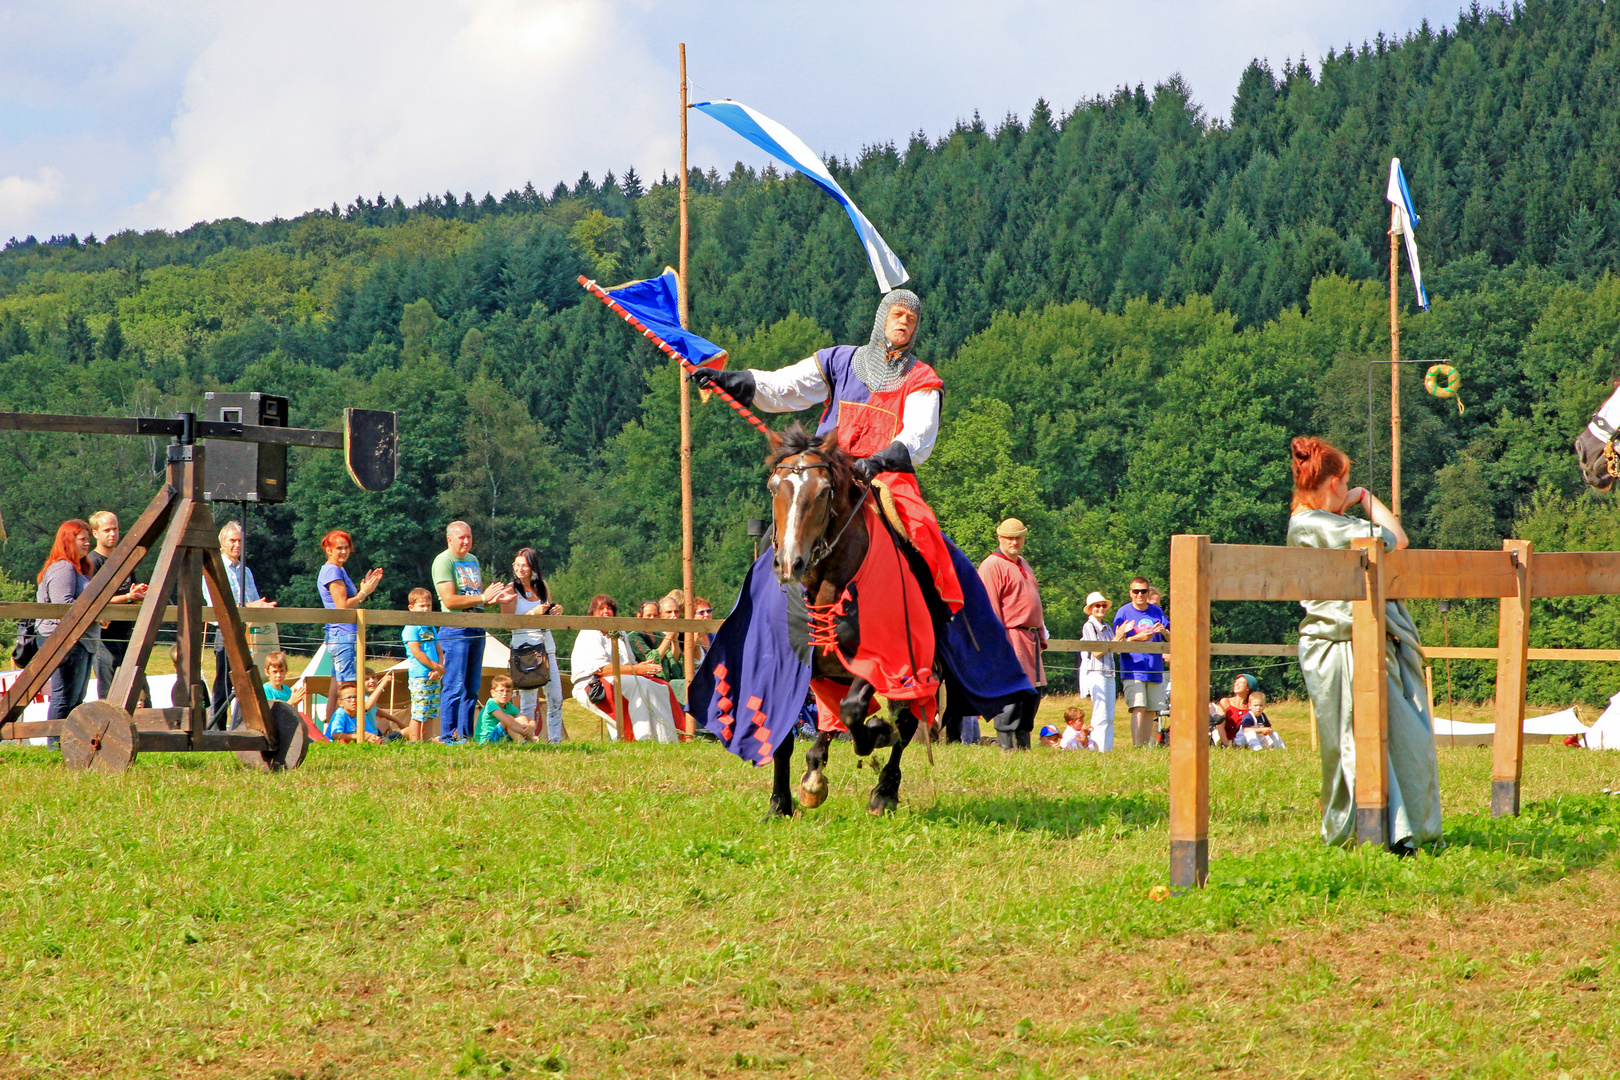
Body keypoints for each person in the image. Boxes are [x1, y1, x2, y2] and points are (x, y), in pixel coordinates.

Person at [688, 289, 964, 613]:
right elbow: (786, 386)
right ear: (882, 318)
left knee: (923, 534)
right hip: (826, 472)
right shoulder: (840, 361)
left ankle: (936, 617)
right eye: (897, 315)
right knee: (772, 538)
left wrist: (876, 461)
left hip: (885, 477)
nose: (903, 322)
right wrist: (730, 379)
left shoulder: (920, 378)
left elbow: (919, 434)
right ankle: (758, 617)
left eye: (911, 319)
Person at [1288, 435, 1440, 851]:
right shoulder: (1316, 524)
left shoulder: (1317, 521)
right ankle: (1368, 835)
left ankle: (1398, 832)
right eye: (1347, 483)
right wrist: (1367, 498)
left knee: (1394, 737)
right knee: (1352, 744)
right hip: (1336, 645)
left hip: (1363, 640)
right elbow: (1396, 538)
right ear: (1335, 483)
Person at [433, 521, 513, 743]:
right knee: (454, 685)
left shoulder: (473, 560)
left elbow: (476, 600)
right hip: (455, 628)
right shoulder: (444, 561)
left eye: (469, 536)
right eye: (461, 538)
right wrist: (484, 597)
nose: (466, 541)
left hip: (477, 625)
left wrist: (493, 600)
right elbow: (450, 600)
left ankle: (466, 736)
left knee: (472, 687)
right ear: (449, 539)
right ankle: (448, 736)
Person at [569, 594, 683, 743]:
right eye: (601, 608)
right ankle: (643, 738)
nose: (606, 612)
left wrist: (644, 667)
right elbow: (601, 669)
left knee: (661, 686)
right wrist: (637, 669)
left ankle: (669, 739)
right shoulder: (590, 632)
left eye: (609, 608)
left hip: (619, 679)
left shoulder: (620, 633)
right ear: (592, 613)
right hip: (592, 684)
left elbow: (629, 662)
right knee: (641, 685)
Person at [978, 518, 1047, 751]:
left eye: (1018, 537)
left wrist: (1040, 634)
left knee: (1030, 695)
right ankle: (1007, 749)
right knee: (1012, 694)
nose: (1014, 542)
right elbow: (990, 609)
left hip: (1030, 638)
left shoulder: (1023, 563)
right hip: (1010, 636)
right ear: (999, 538)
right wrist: (998, 646)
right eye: (1009, 538)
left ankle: (1023, 748)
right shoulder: (992, 565)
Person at [203, 520, 278, 730]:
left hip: (246, 631)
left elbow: (254, 600)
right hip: (225, 631)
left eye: (240, 541)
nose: (237, 545)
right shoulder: (213, 568)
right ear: (222, 544)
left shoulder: (245, 571)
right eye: (233, 541)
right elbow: (216, 604)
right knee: (224, 683)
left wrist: (262, 606)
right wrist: (250, 605)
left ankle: (242, 726)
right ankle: (216, 727)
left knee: (246, 681)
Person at [317, 529, 383, 727]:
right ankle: (346, 732)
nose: (344, 552)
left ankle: (329, 733)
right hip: (344, 636)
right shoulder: (332, 570)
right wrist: (364, 593)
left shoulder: (339, 569)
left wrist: (363, 587)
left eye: (346, 548)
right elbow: (342, 605)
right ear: (328, 549)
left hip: (339, 635)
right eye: (339, 548)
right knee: (348, 689)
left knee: (335, 688)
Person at [500, 548, 565, 744]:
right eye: (516, 565)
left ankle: (555, 741)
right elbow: (508, 623)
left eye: (524, 565)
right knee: (528, 700)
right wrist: (531, 614)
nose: (519, 569)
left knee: (555, 697)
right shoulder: (510, 590)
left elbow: (548, 614)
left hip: (546, 648)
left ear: (532, 567)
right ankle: (526, 740)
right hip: (524, 651)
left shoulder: (543, 586)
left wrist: (556, 610)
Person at [36, 519, 98, 723]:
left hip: (81, 639)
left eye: (88, 539)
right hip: (65, 639)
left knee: (76, 697)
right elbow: (64, 606)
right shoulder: (64, 568)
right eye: (83, 539)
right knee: (64, 696)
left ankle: (69, 744)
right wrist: (96, 613)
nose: (87, 543)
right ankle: (55, 744)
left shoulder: (79, 568)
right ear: (69, 540)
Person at [86, 511, 150, 707]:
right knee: (110, 696)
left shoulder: (124, 560)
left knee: (141, 694)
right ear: (95, 534)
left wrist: (137, 594)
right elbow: (92, 600)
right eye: (107, 530)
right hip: (104, 639)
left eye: (115, 529)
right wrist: (129, 597)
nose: (112, 534)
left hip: (127, 636)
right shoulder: (93, 562)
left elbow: (132, 592)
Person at [1114, 576, 1169, 747]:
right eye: (1136, 591)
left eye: (1143, 591)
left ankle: (1146, 746)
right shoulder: (1123, 612)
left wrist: (1165, 633)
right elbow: (1116, 644)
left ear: (1147, 592)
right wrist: (1136, 638)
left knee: (1151, 709)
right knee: (1138, 707)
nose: (1140, 594)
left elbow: (1171, 639)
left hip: (1154, 668)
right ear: (1130, 593)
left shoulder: (1156, 612)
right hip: (1133, 668)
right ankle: (1137, 745)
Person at [402, 587, 443, 743]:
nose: (425, 609)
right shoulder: (410, 628)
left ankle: (427, 741)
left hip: (434, 674)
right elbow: (417, 652)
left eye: (428, 606)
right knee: (419, 712)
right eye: (421, 606)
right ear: (411, 608)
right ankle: (414, 742)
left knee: (431, 711)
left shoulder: (431, 627)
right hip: (419, 674)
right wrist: (436, 667)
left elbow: (439, 650)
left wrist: (439, 668)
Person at [1077, 591, 1117, 751]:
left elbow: (1117, 648)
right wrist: (1115, 640)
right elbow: (1096, 652)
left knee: (1110, 715)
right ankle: (1098, 749)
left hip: (1109, 672)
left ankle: (1107, 749)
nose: (1101, 608)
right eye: (1097, 606)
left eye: (1103, 605)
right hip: (1096, 672)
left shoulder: (1107, 627)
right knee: (1100, 714)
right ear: (1091, 608)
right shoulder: (1089, 626)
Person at [476, 675, 538, 743]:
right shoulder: (491, 705)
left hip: (502, 737)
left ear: (512, 693)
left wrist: (532, 725)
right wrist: (529, 734)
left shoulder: (508, 705)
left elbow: (527, 719)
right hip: (487, 740)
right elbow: (509, 722)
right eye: (501, 691)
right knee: (510, 718)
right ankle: (524, 742)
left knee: (521, 719)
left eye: (508, 691)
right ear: (493, 693)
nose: (505, 694)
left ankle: (524, 742)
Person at [1208, 674, 1259, 747]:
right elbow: (1220, 726)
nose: (1236, 684)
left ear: (1248, 688)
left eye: (1240, 682)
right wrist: (1227, 744)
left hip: (1243, 742)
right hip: (1225, 741)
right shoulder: (1225, 702)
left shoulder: (1251, 707)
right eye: (1236, 682)